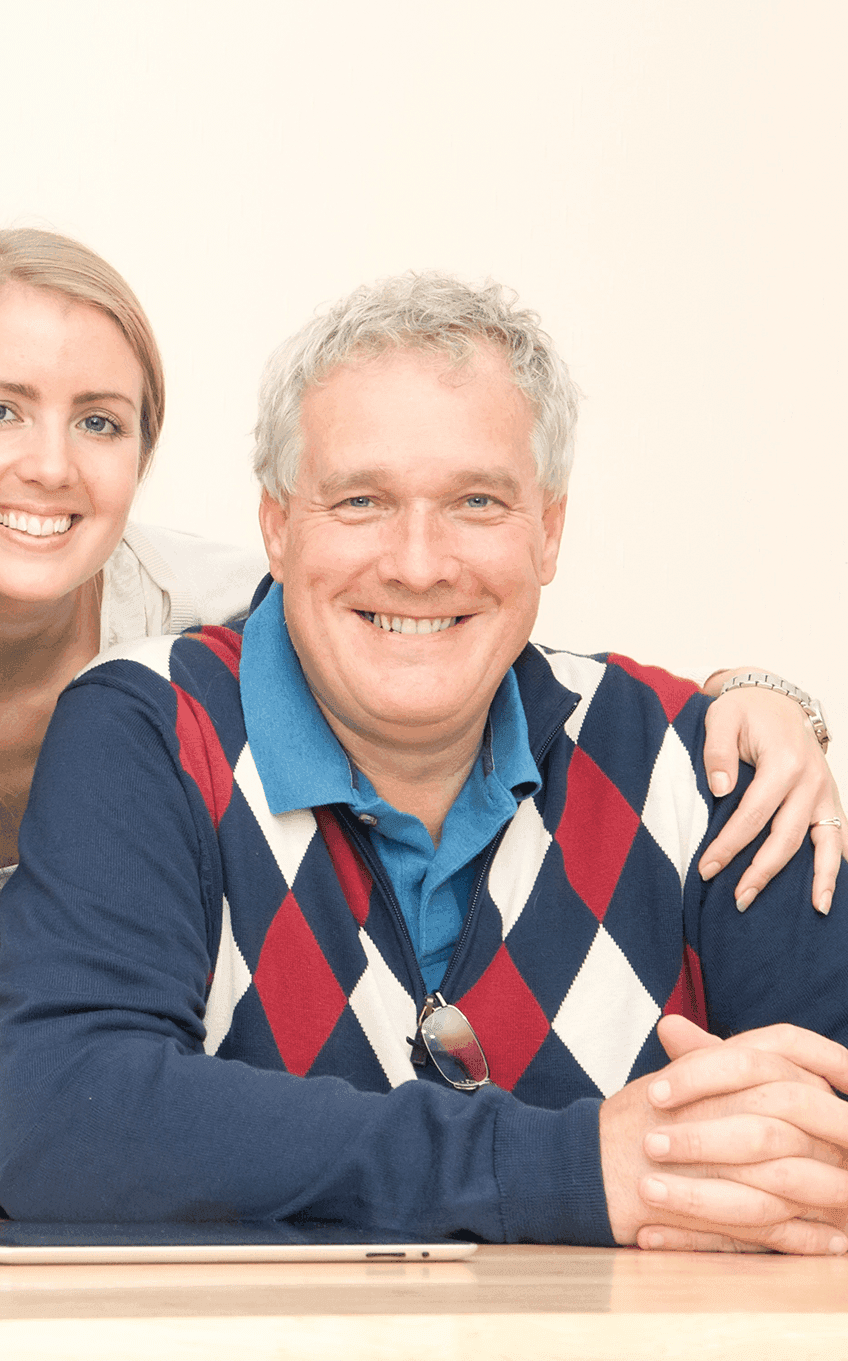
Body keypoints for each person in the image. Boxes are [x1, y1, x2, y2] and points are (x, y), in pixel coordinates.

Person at [0, 273, 846, 1254]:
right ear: (277, 525)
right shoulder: (152, 727)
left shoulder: (705, 764)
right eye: (361, 500)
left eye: (476, 502)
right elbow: (56, 1111)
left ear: (548, 531)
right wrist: (576, 1167)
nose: (415, 562)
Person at [0, 228, 268, 890]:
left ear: (141, 459)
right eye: (3, 411)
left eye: (98, 422)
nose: (51, 467)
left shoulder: (238, 617)